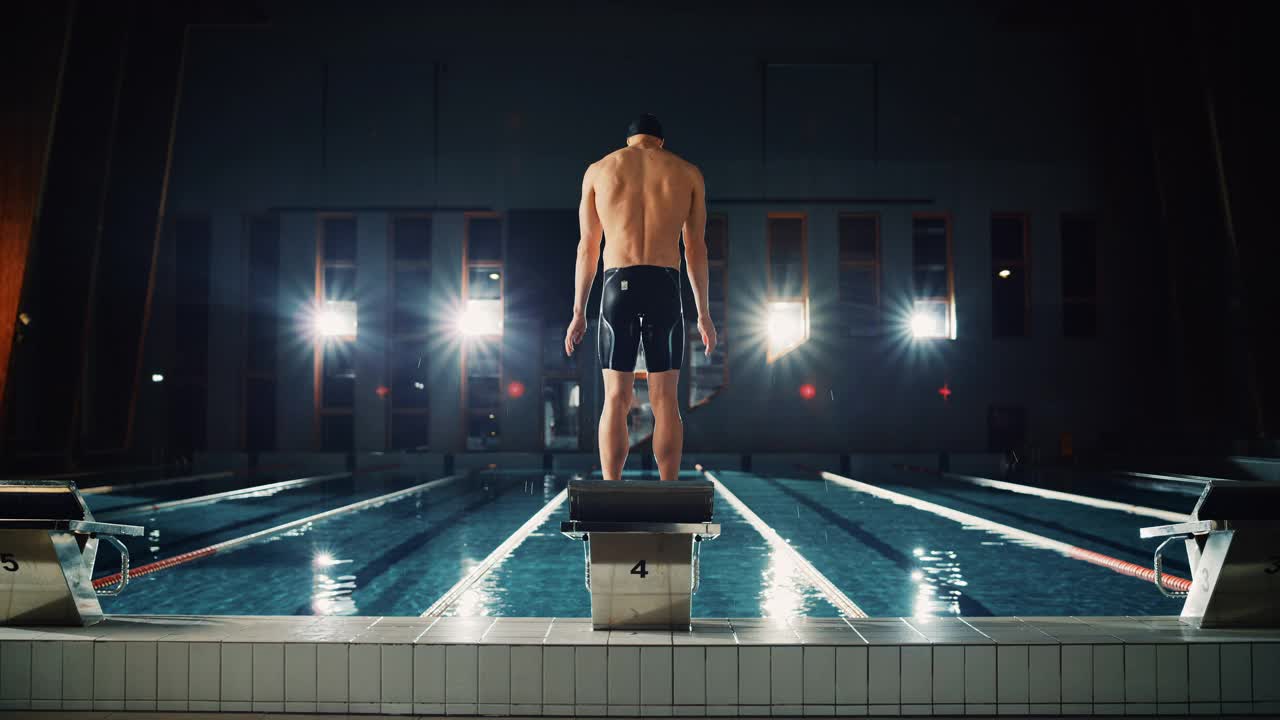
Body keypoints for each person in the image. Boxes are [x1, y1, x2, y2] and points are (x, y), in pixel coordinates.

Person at [564, 114, 716, 481]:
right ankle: (669, 489)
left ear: (629, 141)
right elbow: (695, 247)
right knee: (666, 401)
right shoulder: (687, 172)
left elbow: (588, 247)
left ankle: (610, 487)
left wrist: (578, 311)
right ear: (659, 142)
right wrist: (703, 313)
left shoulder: (599, 170)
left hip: (618, 284)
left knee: (616, 398)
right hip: (665, 284)